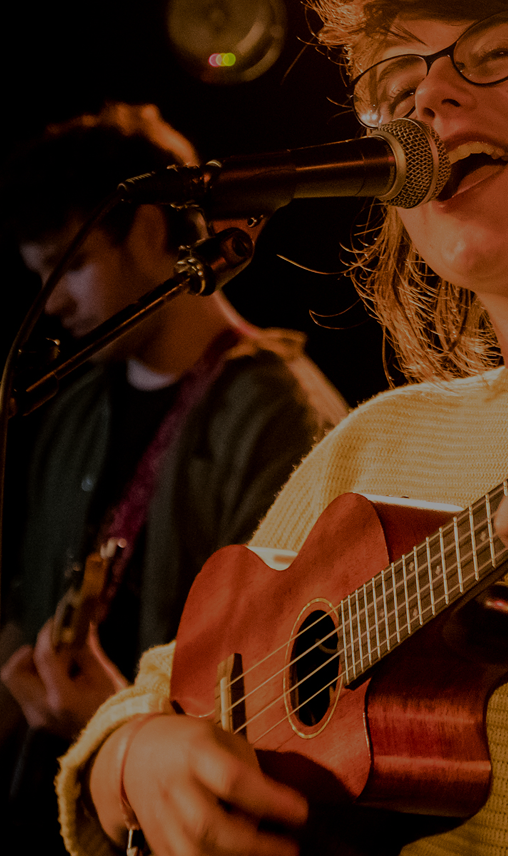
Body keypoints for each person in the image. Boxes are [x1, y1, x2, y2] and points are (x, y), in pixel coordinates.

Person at [55, 3, 508, 856]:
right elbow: (165, 686)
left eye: (497, 52)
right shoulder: (376, 441)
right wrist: (129, 759)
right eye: (399, 84)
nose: (428, 96)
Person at [0, 103, 347, 850]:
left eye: (75, 263)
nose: (53, 301)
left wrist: (119, 717)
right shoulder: (78, 401)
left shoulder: (277, 413)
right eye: (41, 276)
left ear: (154, 232)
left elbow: (294, 691)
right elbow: (27, 604)